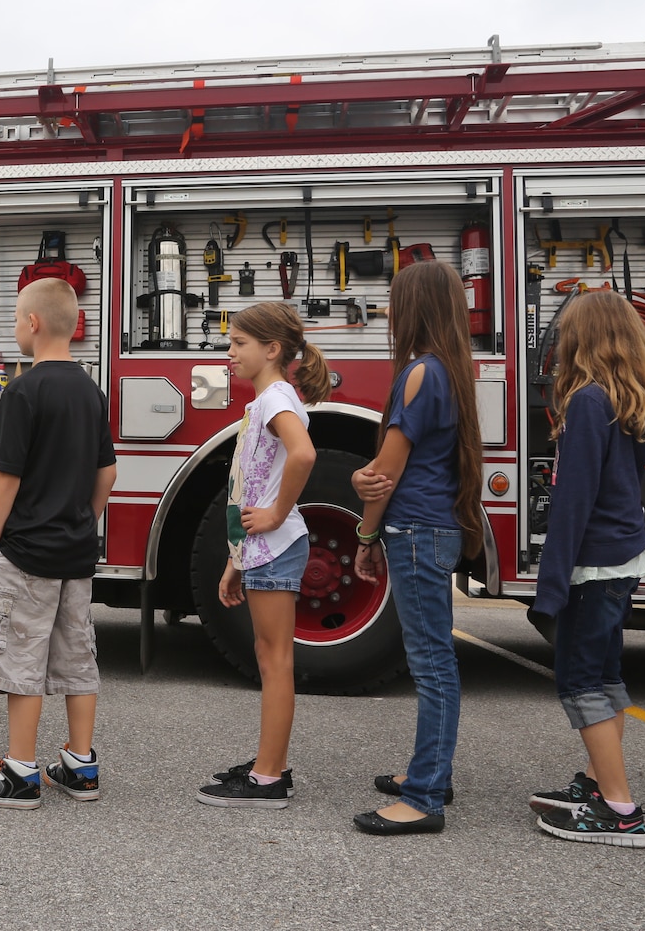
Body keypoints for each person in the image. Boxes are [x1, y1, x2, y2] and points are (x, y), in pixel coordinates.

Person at [0, 278, 117, 809]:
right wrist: (81, 521)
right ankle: (80, 766)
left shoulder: (23, 389)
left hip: (27, 551)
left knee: (21, 656)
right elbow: (107, 473)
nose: (17, 328)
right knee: (76, 654)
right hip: (75, 550)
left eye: (18, 319)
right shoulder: (91, 389)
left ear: (34, 323)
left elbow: (5, 479)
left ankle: (19, 774)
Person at [348, 260, 484, 835]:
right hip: (438, 526)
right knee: (435, 661)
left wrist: (364, 531)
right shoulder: (453, 370)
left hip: (413, 529)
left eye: (395, 302)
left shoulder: (418, 374)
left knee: (431, 664)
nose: (388, 313)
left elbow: (384, 473)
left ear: (414, 308)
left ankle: (425, 796)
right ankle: (430, 773)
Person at [525, 291, 645, 848]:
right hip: (623, 557)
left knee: (580, 682)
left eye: (565, 333)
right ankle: (601, 787)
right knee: (605, 678)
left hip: (592, 566)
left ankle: (620, 811)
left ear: (584, 340)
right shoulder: (627, 398)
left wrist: (549, 587)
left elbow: (573, 501)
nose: (558, 343)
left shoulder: (586, 401)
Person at [195, 303, 327, 810]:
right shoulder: (266, 401)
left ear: (271, 350)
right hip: (261, 551)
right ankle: (264, 767)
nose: (229, 353)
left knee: (275, 662)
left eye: (238, 344)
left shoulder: (275, 398)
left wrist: (274, 515)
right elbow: (246, 485)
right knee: (270, 660)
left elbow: (304, 454)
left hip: (276, 546)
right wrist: (235, 558)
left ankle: (268, 778)